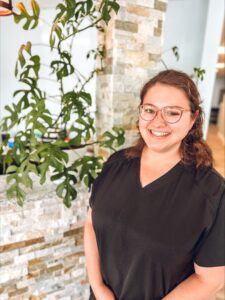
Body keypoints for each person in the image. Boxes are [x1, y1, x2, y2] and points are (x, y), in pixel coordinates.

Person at [84, 69, 225, 300]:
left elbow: (210, 279)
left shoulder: (212, 192)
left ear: (193, 119)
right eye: (150, 110)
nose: (158, 121)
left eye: (172, 113)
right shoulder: (116, 163)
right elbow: (91, 222)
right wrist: (99, 290)